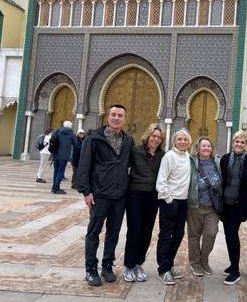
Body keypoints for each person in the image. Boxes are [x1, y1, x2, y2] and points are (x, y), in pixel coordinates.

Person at [77, 104, 135, 286]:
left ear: (124, 119)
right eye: (113, 114)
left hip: (119, 195)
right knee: (94, 231)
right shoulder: (94, 139)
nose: (116, 118)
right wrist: (86, 191)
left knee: (114, 232)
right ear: (108, 117)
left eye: (120, 115)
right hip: (100, 194)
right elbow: (84, 166)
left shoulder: (128, 141)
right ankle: (91, 269)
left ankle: (107, 266)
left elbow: (134, 165)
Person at [123, 123, 165, 282]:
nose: (155, 139)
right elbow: (123, 167)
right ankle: (128, 265)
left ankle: (138, 264)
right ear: (148, 135)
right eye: (153, 136)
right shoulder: (136, 151)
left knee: (147, 232)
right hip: (135, 194)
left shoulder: (163, 155)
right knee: (134, 230)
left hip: (153, 197)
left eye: (159, 137)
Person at [220, 130, 247, 285]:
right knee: (229, 234)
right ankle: (232, 263)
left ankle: (235, 269)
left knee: (231, 233)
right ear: (233, 142)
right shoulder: (224, 159)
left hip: (239, 204)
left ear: (246, 144)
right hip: (225, 204)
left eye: (242, 142)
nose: (239, 144)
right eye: (237, 141)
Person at [156, 128, 192, 285]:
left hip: (183, 202)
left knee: (178, 235)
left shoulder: (188, 157)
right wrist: (168, 199)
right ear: (174, 141)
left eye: (185, 139)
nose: (183, 142)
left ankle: (169, 264)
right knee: (166, 235)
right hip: (170, 201)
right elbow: (161, 179)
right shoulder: (169, 157)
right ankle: (163, 269)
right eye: (180, 139)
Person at [187, 136, 222, 277]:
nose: (206, 148)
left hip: (212, 207)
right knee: (194, 235)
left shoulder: (217, 162)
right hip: (195, 205)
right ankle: (195, 263)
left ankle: (204, 260)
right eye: (204, 146)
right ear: (198, 148)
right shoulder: (191, 162)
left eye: (209, 146)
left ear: (212, 149)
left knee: (211, 233)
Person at [51, 121, 76, 194]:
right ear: (70, 126)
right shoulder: (71, 134)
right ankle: (56, 188)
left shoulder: (57, 131)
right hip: (64, 155)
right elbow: (75, 143)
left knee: (56, 171)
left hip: (56, 154)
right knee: (61, 172)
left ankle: (54, 187)